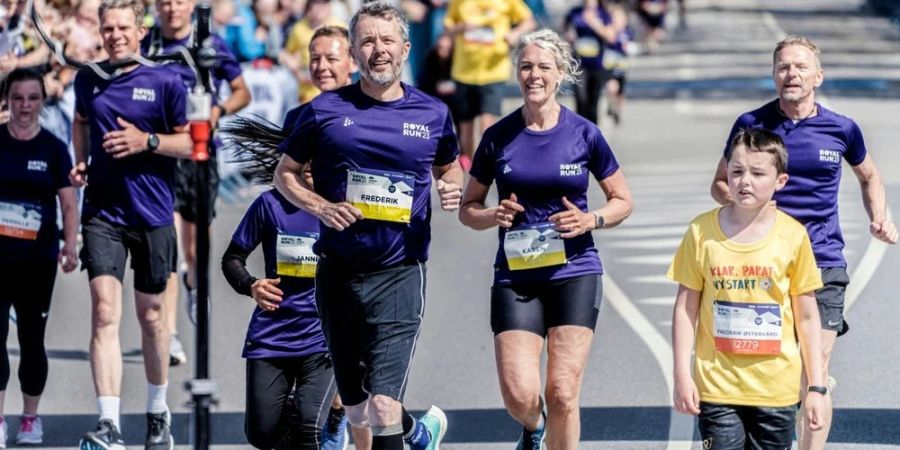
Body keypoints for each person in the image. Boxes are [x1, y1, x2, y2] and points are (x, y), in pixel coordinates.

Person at [273, 2, 463, 449]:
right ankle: (420, 435)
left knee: (382, 406)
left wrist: (452, 188)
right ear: (355, 53)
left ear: (404, 48)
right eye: (368, 41)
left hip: (400, 270)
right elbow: (284, 173)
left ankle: (404, 431)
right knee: (356, 408)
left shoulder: (432, 113)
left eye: (387, 40)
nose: (378, 50)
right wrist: (320, 207)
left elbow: (450, 168)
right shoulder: (323, 110)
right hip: (338, 272)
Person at [709, 36, 899, 450]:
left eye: (799, 67)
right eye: (782, 67)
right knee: (774, 369)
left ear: (818, 76)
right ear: (774, 74)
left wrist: (880, 217)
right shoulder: (751, 124)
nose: (791, 74)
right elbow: (720, 183)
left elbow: (869, 176)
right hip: (763, 265)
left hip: (823, 261)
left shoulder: (842, 128)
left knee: (814, 372)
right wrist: (746, 202)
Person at [458, 29, 632, 450]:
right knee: (519, 395)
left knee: (562, 393)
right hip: (517, 277)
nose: (534, 75)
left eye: (543, 67)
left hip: (575, 271)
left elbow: (622, 200)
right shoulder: (498, 136)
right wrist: (491, 215)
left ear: (560, 74)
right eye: (526, 67)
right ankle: (534, 431)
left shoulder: (584, 134)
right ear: (517, 74)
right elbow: (468, 208)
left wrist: (591, 219)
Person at [222, 24, 371, 450]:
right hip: (296, 292)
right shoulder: (299, 117)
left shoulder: (372, 113)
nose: (322, 66)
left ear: (353, 62)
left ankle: (338, 419)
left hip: (356, 263)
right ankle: (331, 416)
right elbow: (284, 181)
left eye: (332, 58)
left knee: (355, 392)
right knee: (280, 426)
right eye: (316, 58)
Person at [71, 0, 192, 448]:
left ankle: (158, 411)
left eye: (124, 27)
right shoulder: (89, 78)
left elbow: (191, 143)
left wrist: (148, 140)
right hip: (103, 213)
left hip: (153, 215)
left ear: (140, 31)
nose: (115, 35)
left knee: (153, 316)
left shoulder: (165, 79)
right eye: (108, 28)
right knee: (104, 312)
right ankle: (109, 424)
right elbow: (81, 120)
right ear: (100, 32)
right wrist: (80, 161)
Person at [674, 129, 827, 449]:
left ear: (780, 181)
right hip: (717, 388)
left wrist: (816, 387)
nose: (745, 181)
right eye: (737, 171)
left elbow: (809, 318)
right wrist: (681, 375)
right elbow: (686, 308)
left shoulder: (793, 236)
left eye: (758, 173)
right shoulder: (701, 232)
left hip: (776, 390)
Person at [143, 0, 251, 367]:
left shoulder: (211, 44)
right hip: (164, 156)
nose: (172, 9)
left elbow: (241, 91)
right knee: (169, 247)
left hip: (202, 154)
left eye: (179, 2)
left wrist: (216, 112)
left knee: (194, 249)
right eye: (165, 3)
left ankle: (194, 284)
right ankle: (170, 334)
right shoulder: (148, 45)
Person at [0, 68, 78, 447]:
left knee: (32, 341)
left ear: (42, 101)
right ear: (7, 101)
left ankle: (30, 418)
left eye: (32, 98)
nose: (25, 106)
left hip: (37, 261)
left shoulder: (53, 147)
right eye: (18, 98)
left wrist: (71, 244)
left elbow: (68, 201)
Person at [443, 0, 535, 170]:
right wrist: (462, 28)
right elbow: (448, 27)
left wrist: (515, 33)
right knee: (466, 131)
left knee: (487, 127)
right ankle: (469, 171)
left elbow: (529, 21)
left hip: (494, 71)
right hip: (464, 72)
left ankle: (485, 168)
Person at [564, 0, 616, 126]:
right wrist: (569, 36)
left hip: (597, 64)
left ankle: (592, 134)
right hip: (578, 63)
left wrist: (594, 23)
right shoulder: (575, 12)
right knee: (580, 99)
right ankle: (579, 132)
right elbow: (565, 28)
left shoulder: (603, 13)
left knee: (593, 102)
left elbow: (611, 36)